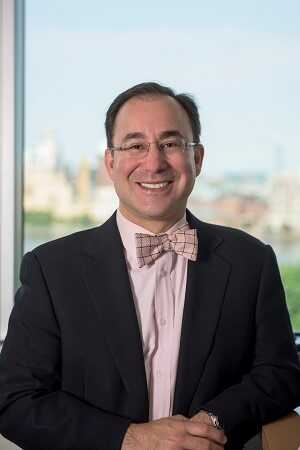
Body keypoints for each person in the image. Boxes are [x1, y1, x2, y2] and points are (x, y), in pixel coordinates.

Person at [0, 82, 299, 450]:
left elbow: (281, 374)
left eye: (171, 144)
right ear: (110, 162)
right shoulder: (50, 270)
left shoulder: (251, 261)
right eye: (135, 145)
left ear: (198, 159)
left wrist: (213, 421)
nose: (154, 163)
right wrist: (131, 438)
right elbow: (15, 401)